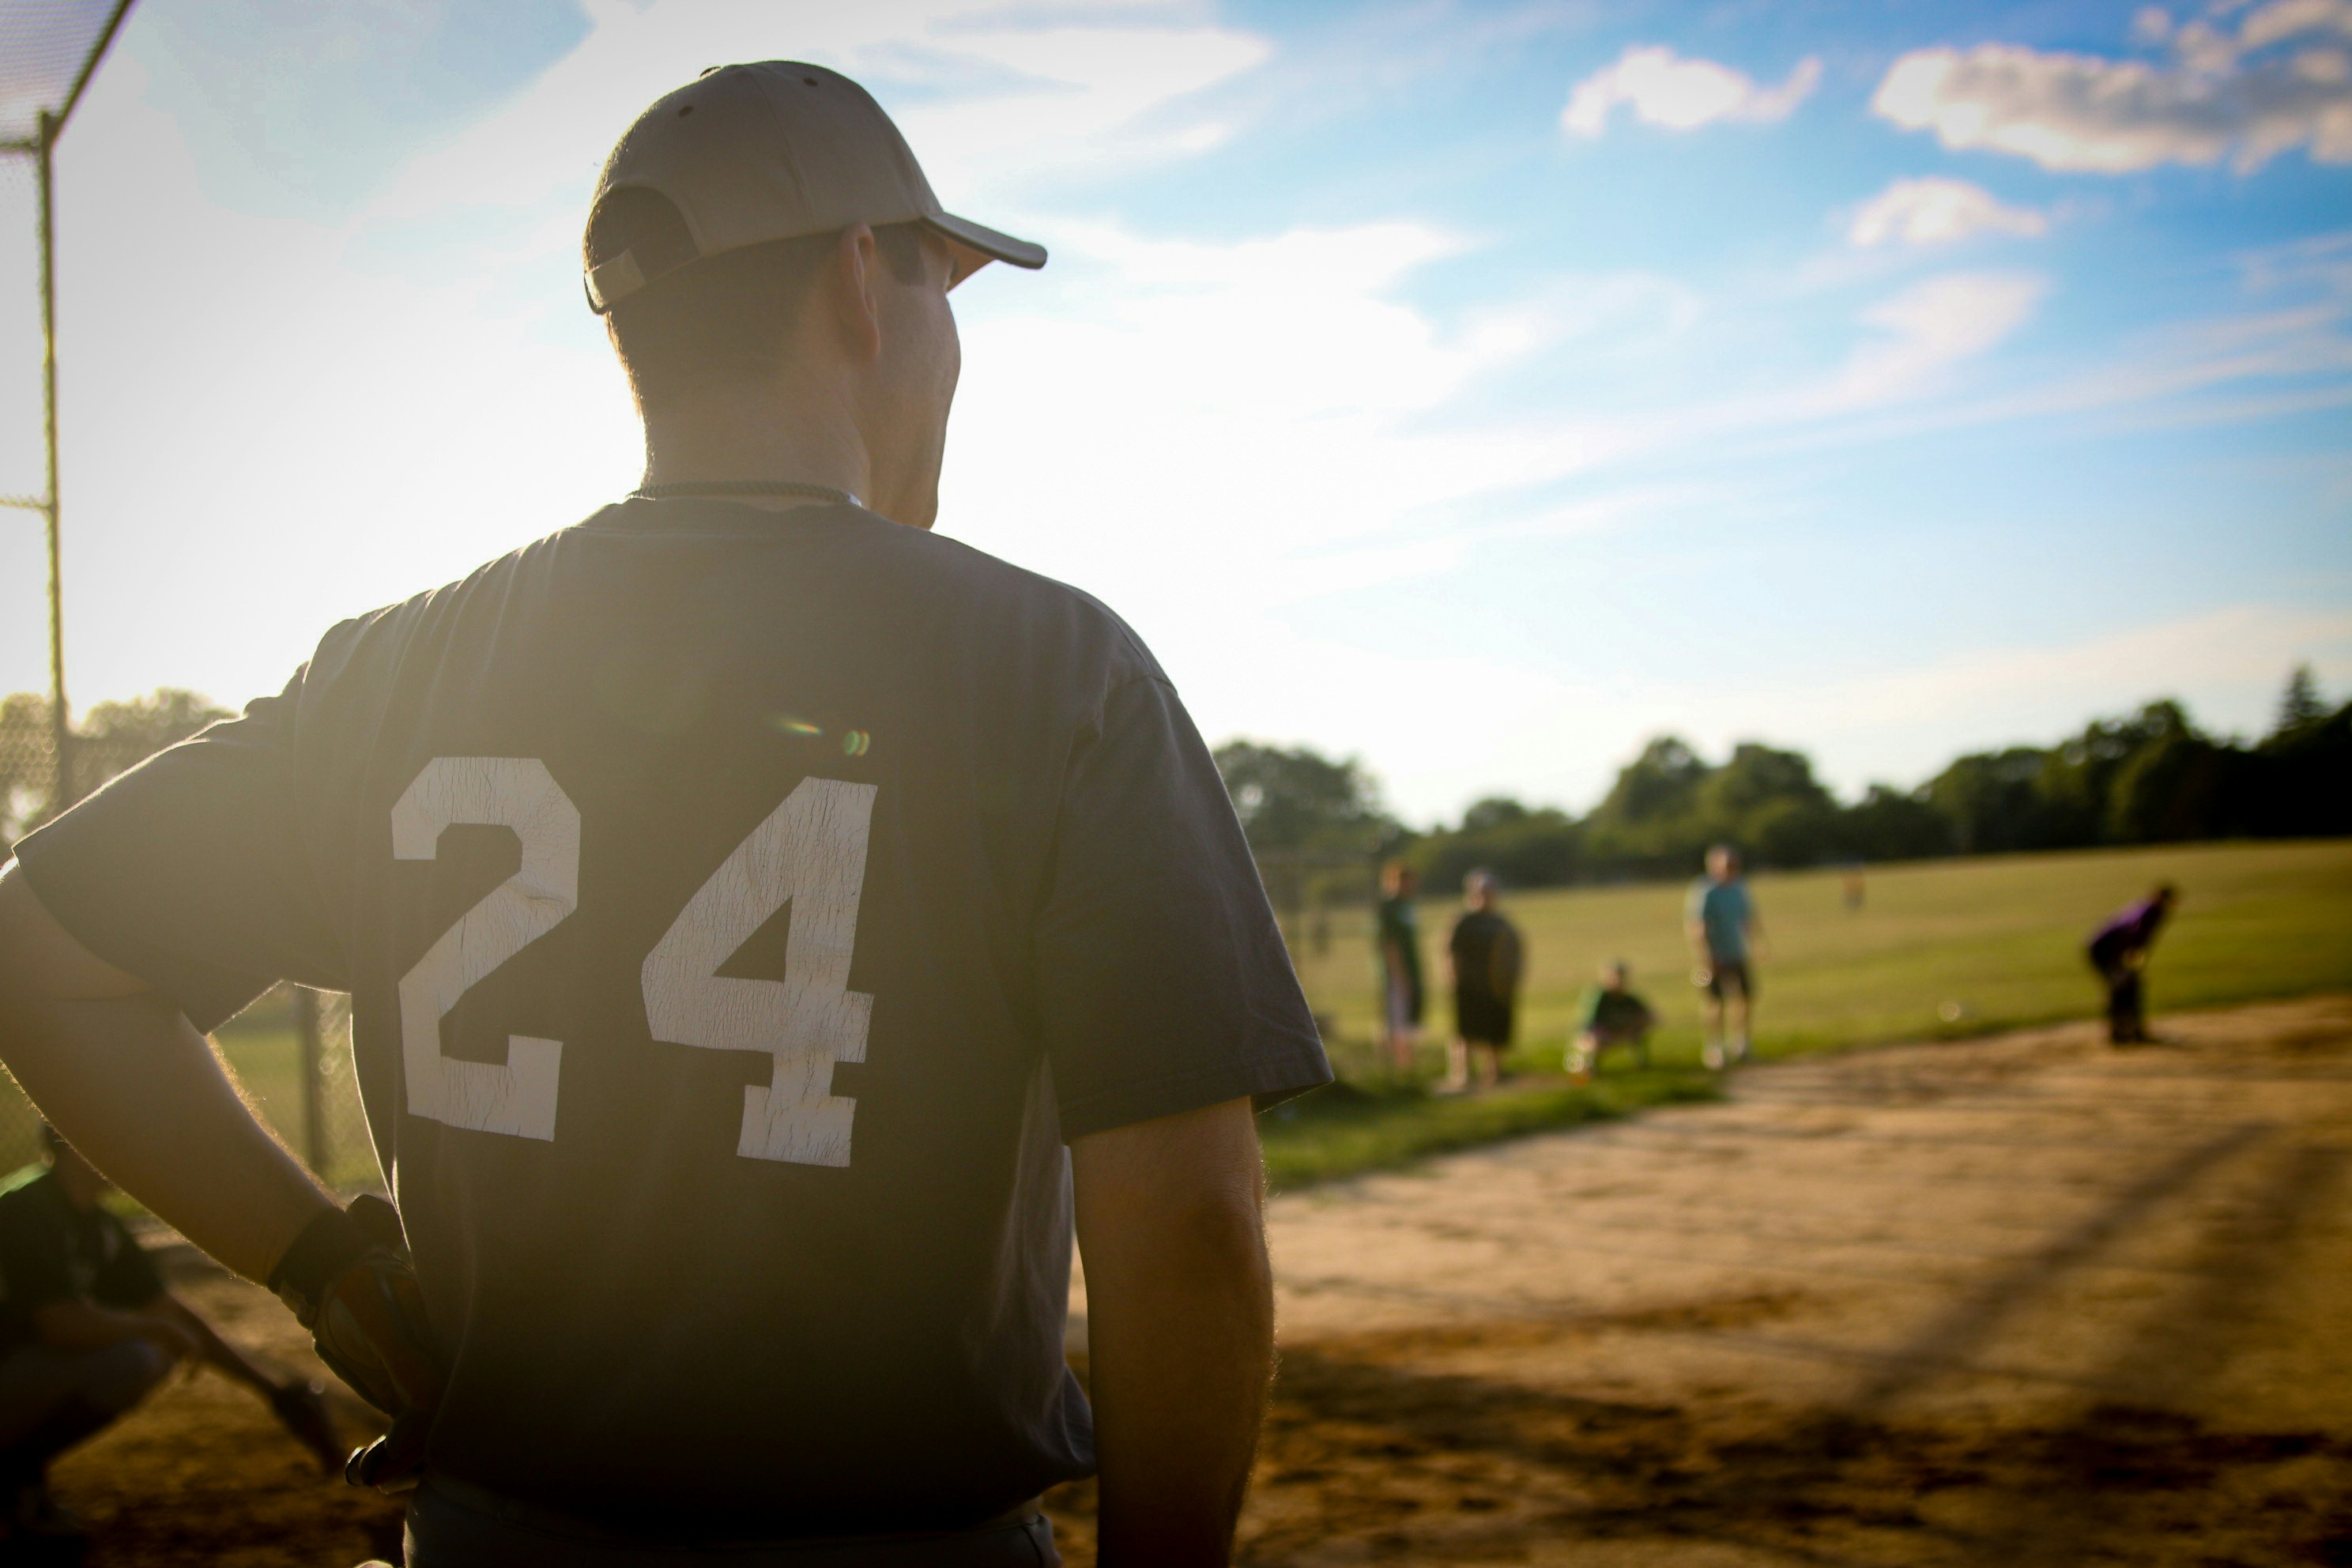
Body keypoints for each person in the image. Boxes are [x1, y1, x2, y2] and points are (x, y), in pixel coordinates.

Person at [0, 61, 1330, 1568]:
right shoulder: (1056, 666)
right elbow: (1193, 1235)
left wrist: (320, 1263)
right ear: (858, 282)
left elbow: (35, 952)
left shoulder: (396, 666)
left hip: (495, 1535)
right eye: (940, 279)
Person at [0, 1127, 342, 1548]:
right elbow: (61, 1324)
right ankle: (13, 1478)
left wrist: (271, 1391)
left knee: (150, 1350)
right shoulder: (27, 1208)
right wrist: (149, 1327)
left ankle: (18, 1477)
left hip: (16, 1373)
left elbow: (169, 1311)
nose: (127, 1154)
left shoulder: (93, 1221)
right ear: (73, 1145)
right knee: (136, 1357)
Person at [1441, 872, 1521, 1094]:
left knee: (1493, 1032)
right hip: (1469, 984)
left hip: (1494, 986)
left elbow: (1514, 952)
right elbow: (1450, 952)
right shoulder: (1465, 921)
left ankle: (1494, 1073)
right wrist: (1452, 978)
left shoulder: (1500, 922)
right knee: (1465, 1032)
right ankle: (1462, 1074)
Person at [1686, 844, 1764, 1070]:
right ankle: (1714, 1048)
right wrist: (1707, 958)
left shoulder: (1739, 888)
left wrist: (1756, 945)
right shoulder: (1705, 891)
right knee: (1715, 1003)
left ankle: (1742, 1044)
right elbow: (1698, 928)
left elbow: (1747, 919)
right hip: (1714, 957)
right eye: (1727, 865)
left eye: (1734, 865)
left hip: (1737, 953)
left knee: (1746, 997)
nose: (1732, 869)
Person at [2087, 884, 2178, 1045]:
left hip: (2115, 951)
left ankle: (2132, 1032)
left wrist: (2134, 962)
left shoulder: (2153, 911)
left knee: (2130, 986)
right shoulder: (2148, 912)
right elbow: (2131, 936)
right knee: (2120, 987)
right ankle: (2119, 1034)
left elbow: (2142, 941)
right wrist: (2127, 963)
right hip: (2103, 951)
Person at [1566, 961, 1655, 1084]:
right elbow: (1587, 1024)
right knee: (1594, 1043)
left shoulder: (1628, 998)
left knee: (1639, 1030)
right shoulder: (1600, 997)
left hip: (1617, 1033)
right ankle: (1588, 1069)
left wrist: (1635, 1024)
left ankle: (1641, 1065)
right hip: (1595, 1035)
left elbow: (1650, 1016)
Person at [1375, 863, 1425, 1074]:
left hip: (1412, 970)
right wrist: (1399, 975)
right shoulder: (1388, 908)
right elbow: (1389, 943)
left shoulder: (1408, 905)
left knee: (1410, 1020)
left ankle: (1407, 1065)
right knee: (1396, 1022)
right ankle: (1397, 1068)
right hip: (1397, 975)